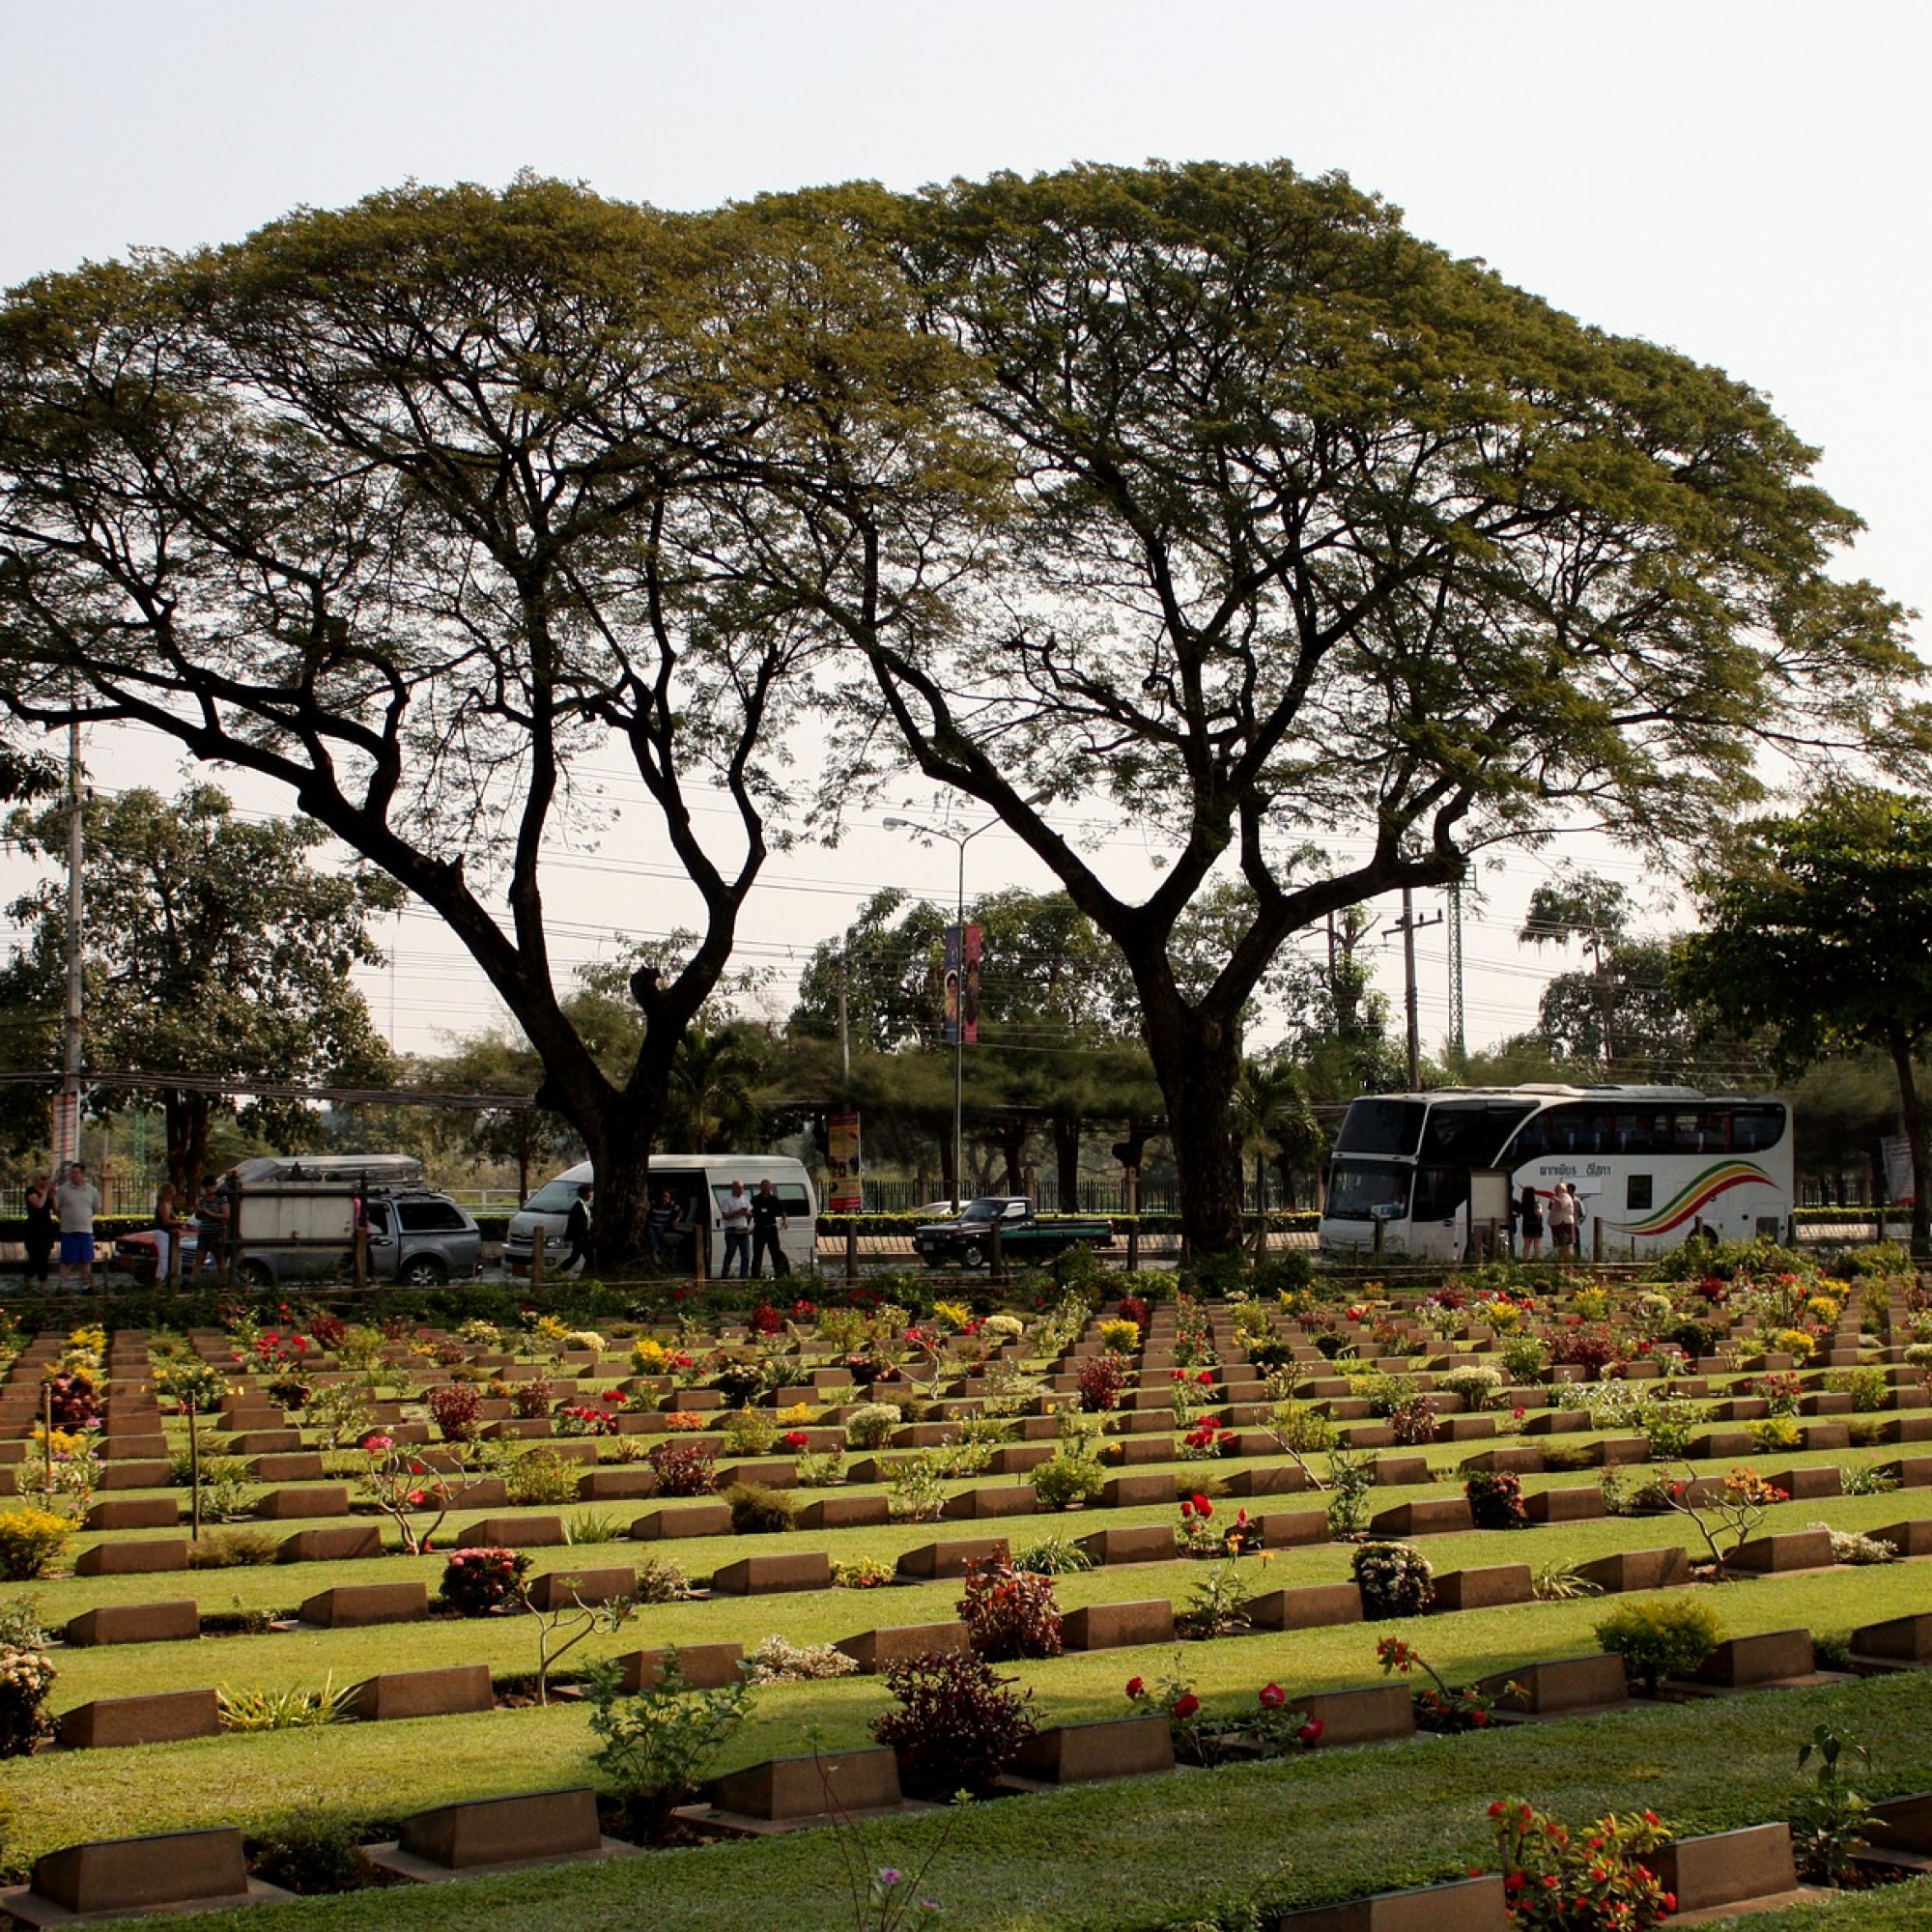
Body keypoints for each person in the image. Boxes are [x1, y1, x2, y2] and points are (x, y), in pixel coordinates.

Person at [55, 1159, 101, 1293]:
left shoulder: (92, 1191)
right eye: (72, 1173)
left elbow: (95, 1209)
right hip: (68, 1231)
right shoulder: (63, 1190)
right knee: (67, 1261)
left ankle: (87, 1286)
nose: (73, 1175)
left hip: (85, 1231)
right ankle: (61, 1286)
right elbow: (57, 1208)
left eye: (76, 1173)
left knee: (85, 1260)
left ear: (82, 1174)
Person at [750, 1176, 790, 1279]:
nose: (766, 1188)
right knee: (757, 1253)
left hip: (771, 1228)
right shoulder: (755, 1199)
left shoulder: (774, 1199)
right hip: (759, 1228)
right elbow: (750, 1212)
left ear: (770, 1187)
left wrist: (785, 1221)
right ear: (761, 1187)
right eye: (764, 1186)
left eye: (768, 1186)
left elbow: (782, 1211)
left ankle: (779, 1274)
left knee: (775, 1252)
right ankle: (755, 1276)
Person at [21, 1172, 55, 1291]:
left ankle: (43, 1284)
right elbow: (39, 1205)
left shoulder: (46, 1193)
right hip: (33, 1229)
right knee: (34, 1256)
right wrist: (45, 1191)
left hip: (46, 1228)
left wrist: (52, 1193)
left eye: (47, 1178)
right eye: (43, 1178)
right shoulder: (31, 1192)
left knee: (44, 1256)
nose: (45, 1181)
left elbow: (55, 1208)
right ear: (36, 1179)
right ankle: (28, 1280)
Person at [194, 1174, 231, 1276]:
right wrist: (199, 1212)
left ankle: (223, 1281)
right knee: (199, 1258)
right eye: (206, 1188)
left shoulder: (221, 1199)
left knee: (220, 1259)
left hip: (217, 1233)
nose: (208, 1190)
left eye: (209, 1187)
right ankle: (194, 1281)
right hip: (204, 1232)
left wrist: (209, 1213)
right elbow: (198, 1216)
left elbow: (226, 1216)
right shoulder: (203, 1199)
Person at [719, 1179, 753, 1278]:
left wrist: (748, 1216)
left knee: (745, 1255)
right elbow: (725, 1216)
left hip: (743, 1230)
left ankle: (744, 1276)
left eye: (742, 1188)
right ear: (733, 1188)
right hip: (732, 1231)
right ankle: (724, 1275)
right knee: (730, 1253)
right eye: (738, 1187)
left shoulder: (745, 1199)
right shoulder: (727, 1200)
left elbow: (750, 1213)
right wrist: (737, 1212)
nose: (740, 1190)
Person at [153, 1181, 183, 1287]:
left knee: (162, 1264)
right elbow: (166, 1221)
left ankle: (159, 1284)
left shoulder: (166, 1204)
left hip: (166, 1235)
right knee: (164, 1261)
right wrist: (179, 1223)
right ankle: (164, 1283)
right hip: (163, 1234)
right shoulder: (164, 1204)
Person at [559, 1183, 592, 1276]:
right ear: (586, 1194)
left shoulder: (583, 1206)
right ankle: (561, 1269)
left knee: (576, 1256)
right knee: (577, 1256)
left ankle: (561, 1270)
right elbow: (577, 1223)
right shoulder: (578, 1206)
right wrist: (582, 1236)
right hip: (580, 1238)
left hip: (582, 1237)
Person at [1546, 1179, 1577, 1266]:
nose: (1555, 1191)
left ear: (1563, 1189)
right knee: (1559, 1245)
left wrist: (1555, 1198)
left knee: (1566, 1245)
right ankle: (1560, 1262)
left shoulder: (1566, 1197)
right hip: (1557, 1224)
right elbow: (1551, 1208)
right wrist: (1552, 1199)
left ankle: (1569, 1263)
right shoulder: (1556, 1197)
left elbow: (1562, 1205)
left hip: (1564, 1224)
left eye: (1557, 1189)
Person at [646, 1187, 680, 1261]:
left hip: (663, 1226)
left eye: (668, 1197)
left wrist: (677, 1219)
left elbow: (680, 1211)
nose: (666, 1199)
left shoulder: (671, 1205)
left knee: (660, 1232)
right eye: (664, 1196)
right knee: (650, 1232)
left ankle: (658, 1252)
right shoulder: (654, 1203)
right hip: (653, 1225)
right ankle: (655, 1253)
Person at [1517, 1182, 1544, 1261]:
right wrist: (1539, 1207)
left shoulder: (1523, 1204)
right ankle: (1537, 1261)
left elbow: (1519, 1213)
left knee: (1526, 1245)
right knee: (1537, 1245)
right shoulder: (1536, 1204)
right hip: (1536, 1225)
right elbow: (1538, 1214)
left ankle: (1524, 1260)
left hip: (1527, 1225)